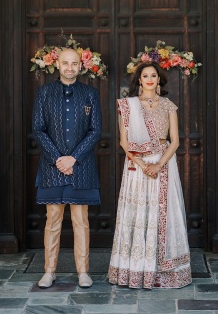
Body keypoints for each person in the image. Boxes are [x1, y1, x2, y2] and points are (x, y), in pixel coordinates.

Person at [108, 61, 192, 289]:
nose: (149, 79)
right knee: (139, 213)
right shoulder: (129, 105)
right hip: (137, 166)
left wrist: (158, 165)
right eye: (145, 75)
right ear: (139, 79)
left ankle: (163, 271)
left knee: (162, 212)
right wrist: (143, 165)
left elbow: (175, 141)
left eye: (153, 75)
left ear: (158, 79)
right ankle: (136, 270)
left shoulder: (168, 105)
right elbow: (124, 142)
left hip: (163, 164)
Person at [32, 47, 102, 288]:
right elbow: (38, 129)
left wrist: (73, 158)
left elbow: (95, 131)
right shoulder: (44, 93)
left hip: (81, 167)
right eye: (65, 63)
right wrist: (58, 159)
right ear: (57, 65)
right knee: (52, 220)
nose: (70, 67)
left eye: (74, 63)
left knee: (81, 221)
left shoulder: (90, 94)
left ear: (80, 66)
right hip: (51, 167)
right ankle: (49, 271)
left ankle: (83, 272)